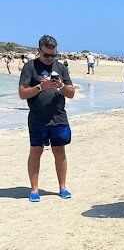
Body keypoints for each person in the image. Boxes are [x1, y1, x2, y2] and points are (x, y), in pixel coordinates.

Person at [18, 35, 75, 202]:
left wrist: (62, 86)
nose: (50, 59)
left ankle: (62, 187)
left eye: (53, 55)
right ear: (39, 51)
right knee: (36, 151)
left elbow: (71, 93)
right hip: (37, 118)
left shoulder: (61, 67)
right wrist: (40, 87)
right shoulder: (30, 67)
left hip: (59, 118)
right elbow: (22, 94)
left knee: (60, 151)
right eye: (46, 55)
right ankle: (34, 190)